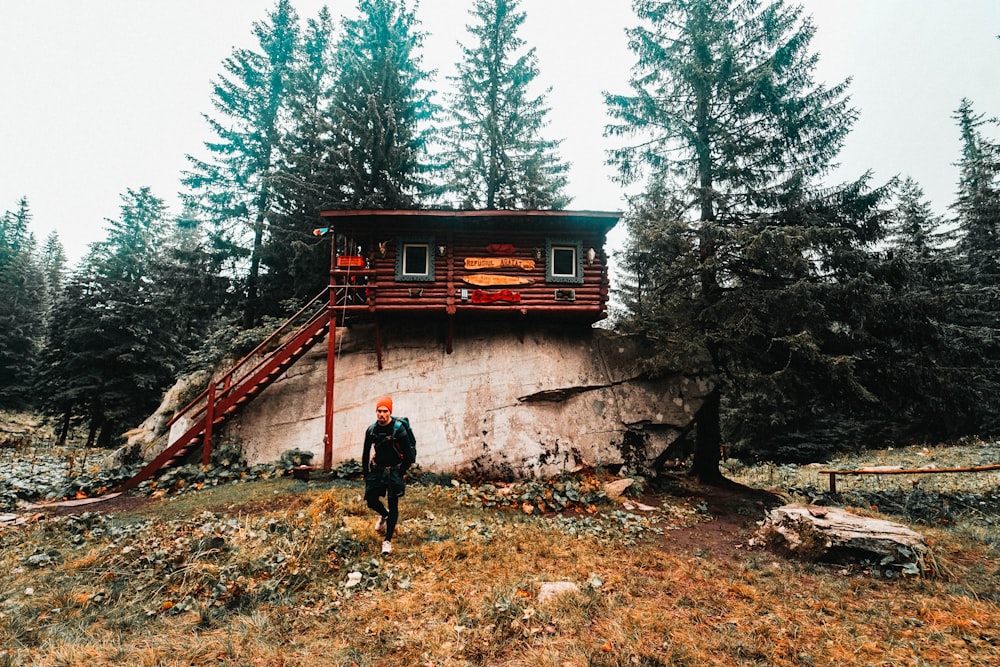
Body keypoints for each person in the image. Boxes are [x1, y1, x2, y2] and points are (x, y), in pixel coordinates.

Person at [362, 396, 415, 555]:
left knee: (393, 504)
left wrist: (401, 472)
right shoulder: (372, 430)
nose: (382, 414)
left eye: (385, 411)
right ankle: (383, 515)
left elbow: (409, 455)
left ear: (389, 412)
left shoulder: (399, 429)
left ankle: (387, 541)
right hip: (377, 469)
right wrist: (366, 474)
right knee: (371, 500)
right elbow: (365, 453)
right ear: (376, 412)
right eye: (379, 411)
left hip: (393, 471)